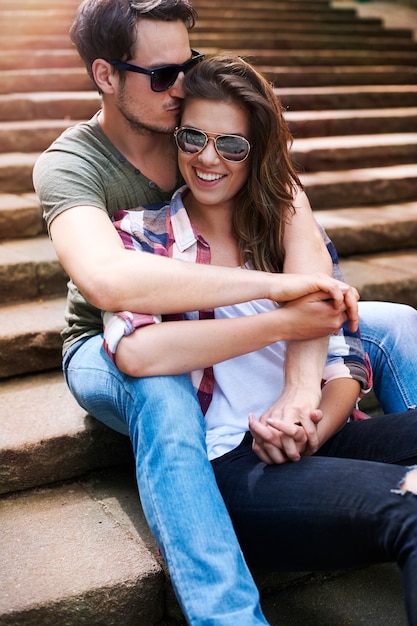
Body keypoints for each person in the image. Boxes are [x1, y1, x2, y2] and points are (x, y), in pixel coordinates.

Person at [31, 0, 416, 622]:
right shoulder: (77, 166)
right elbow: (110, 283)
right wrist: (275, 296)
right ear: (106, 76)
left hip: (260, 351)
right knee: (163, 396)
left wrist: (301, 396)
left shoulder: (251, 165)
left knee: (394, 323)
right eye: (161, 75)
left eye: (191, 64)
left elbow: (320, 296)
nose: (181, 86)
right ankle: (226, 612)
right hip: (104, 343)